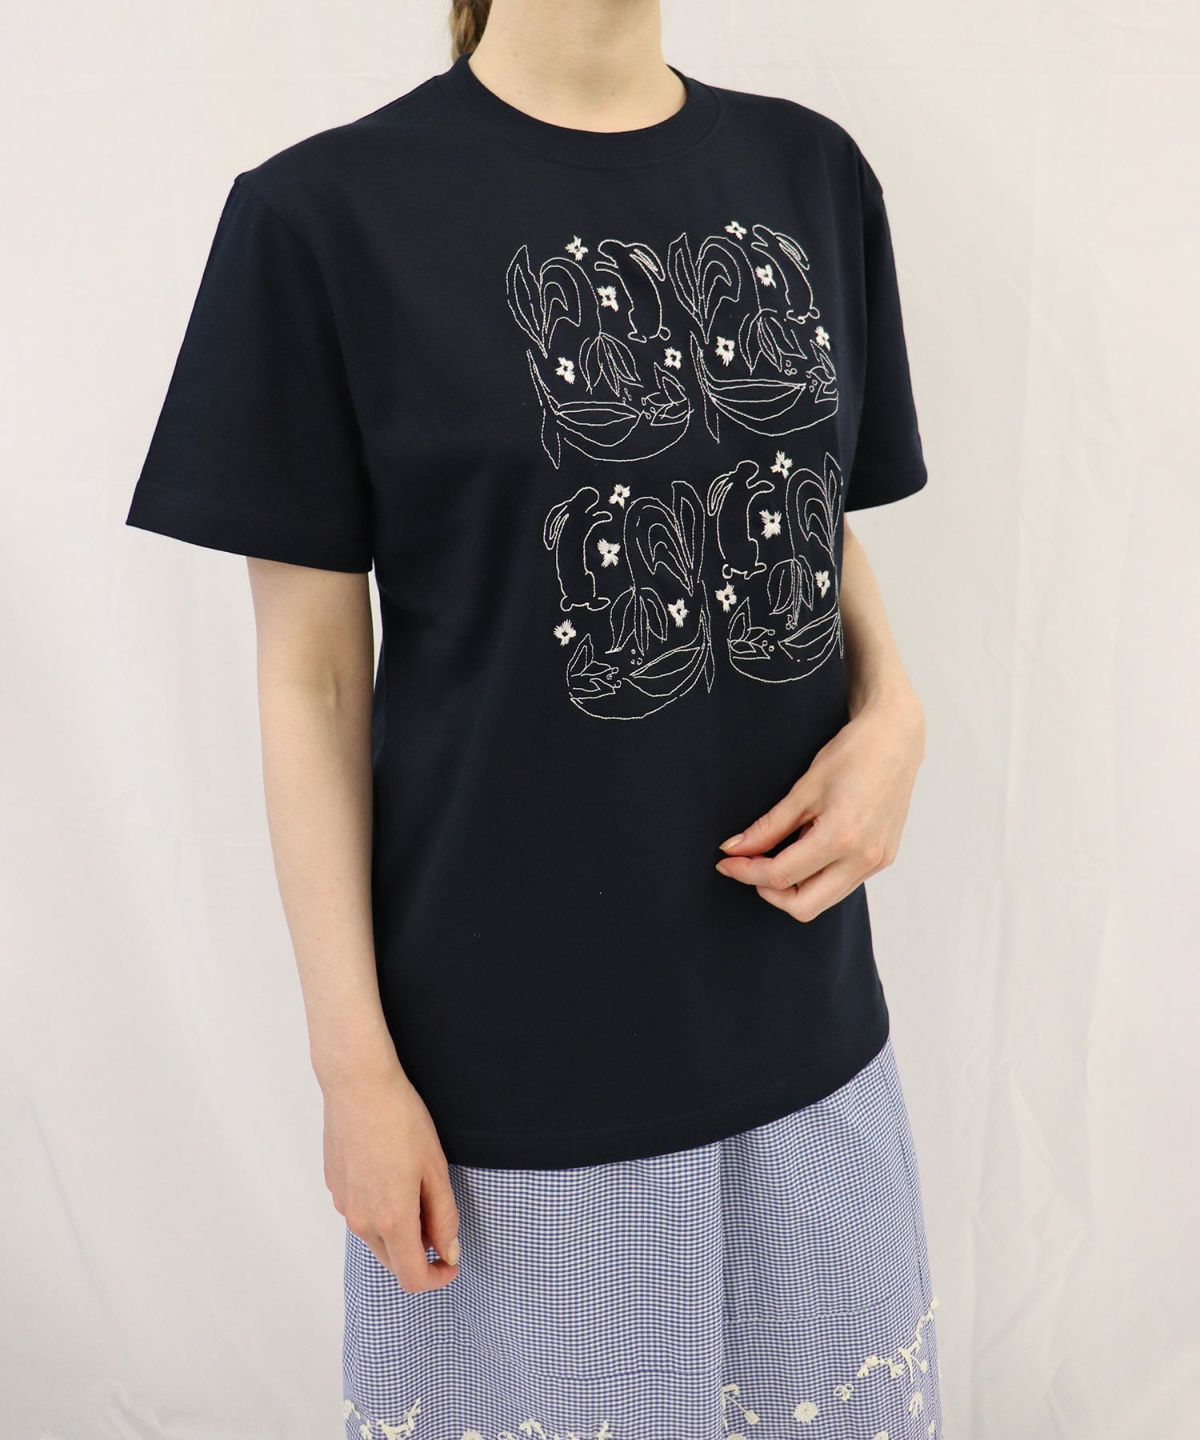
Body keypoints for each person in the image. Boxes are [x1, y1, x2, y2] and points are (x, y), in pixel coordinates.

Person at [125, 1, 944, 1435]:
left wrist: (896, 712)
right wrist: (352, 1070)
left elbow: (806, 510)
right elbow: (311, 680)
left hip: (807, 1039)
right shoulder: (324, 219)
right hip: (513, 1081)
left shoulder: (810, 172)